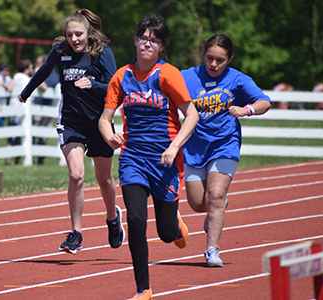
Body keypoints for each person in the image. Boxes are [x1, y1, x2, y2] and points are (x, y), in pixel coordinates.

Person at [99, 14, 199, 300]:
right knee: (136, 221)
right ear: (135, 40)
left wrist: (174, 147)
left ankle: (175, 223)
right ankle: (144, 289)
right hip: (132, 160)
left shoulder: (167, 74)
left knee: (166, 234)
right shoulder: (122, 76)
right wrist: (110, 136)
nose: (147, 44)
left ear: (161, 45)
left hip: (165, 160)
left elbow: (191, 116)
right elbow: (105, 119)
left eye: (153, 40)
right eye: (143, 38)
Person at [19, 9, 124, 255]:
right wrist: (27, 91)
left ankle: (112, 218)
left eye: (78, 34)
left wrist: (94, 84)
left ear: (89, 33)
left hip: (99, 123)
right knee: (76, 175)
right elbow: (45, 70)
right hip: (71, 122)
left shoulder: (102, 53)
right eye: (69, 35)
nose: (74, 39)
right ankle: (76, 233)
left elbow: (115, 87)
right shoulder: (60, 50)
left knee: (104, 179)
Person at [180, 33, 272, 268]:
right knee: (198, 203)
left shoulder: (238, 80)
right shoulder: (188, 77)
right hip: (194, 146)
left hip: (225, 144)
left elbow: (265, 102)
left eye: (220, 60)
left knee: (216, 196)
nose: (213, 64)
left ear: (229, 59)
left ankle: (212, 250)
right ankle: (215, 209)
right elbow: (162, 86)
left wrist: (247, 110)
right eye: (210, 58)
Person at [32, 54, 60, 165]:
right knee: (32, 134)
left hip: (45, 111)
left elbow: (44, 87)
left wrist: (37, 75)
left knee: (43, 136)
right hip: (35, 109)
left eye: (38, 63)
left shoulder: (52, 74)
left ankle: (40, 159)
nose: (35, 65)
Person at [7, 59, 33, 165]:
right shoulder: (26, 78)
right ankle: (15, 159)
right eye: (30, 68)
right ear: (26, 70)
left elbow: (10, 87)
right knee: (19, 135)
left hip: (12, 107)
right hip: (21, 108)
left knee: (12, 135)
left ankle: (8, 159)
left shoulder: (16, 76)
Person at [0, 62, 14, 128]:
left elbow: (12, 82)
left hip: (2, 107)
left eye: (7, 71)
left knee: (0, 126)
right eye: (3, 71)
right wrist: (6, 86)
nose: (5, 73)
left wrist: (10, 85)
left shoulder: (7, 78)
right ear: (0, 71)